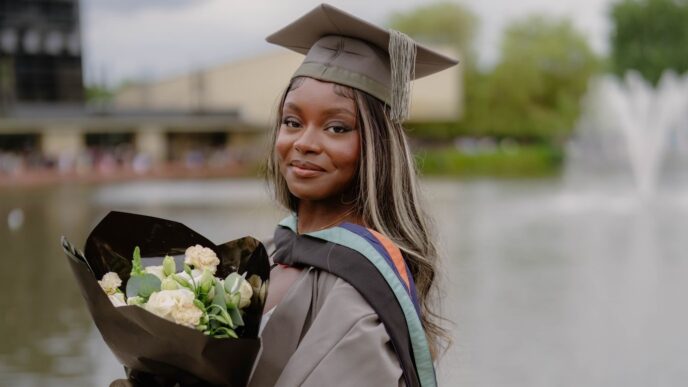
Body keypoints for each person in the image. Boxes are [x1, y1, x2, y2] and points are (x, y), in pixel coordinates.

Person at [249, 4, 458, 387]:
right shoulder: (265, 255)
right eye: (292, 122)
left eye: (337, 127)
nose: (305, 143)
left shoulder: (360, 291)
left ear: (377, 148)